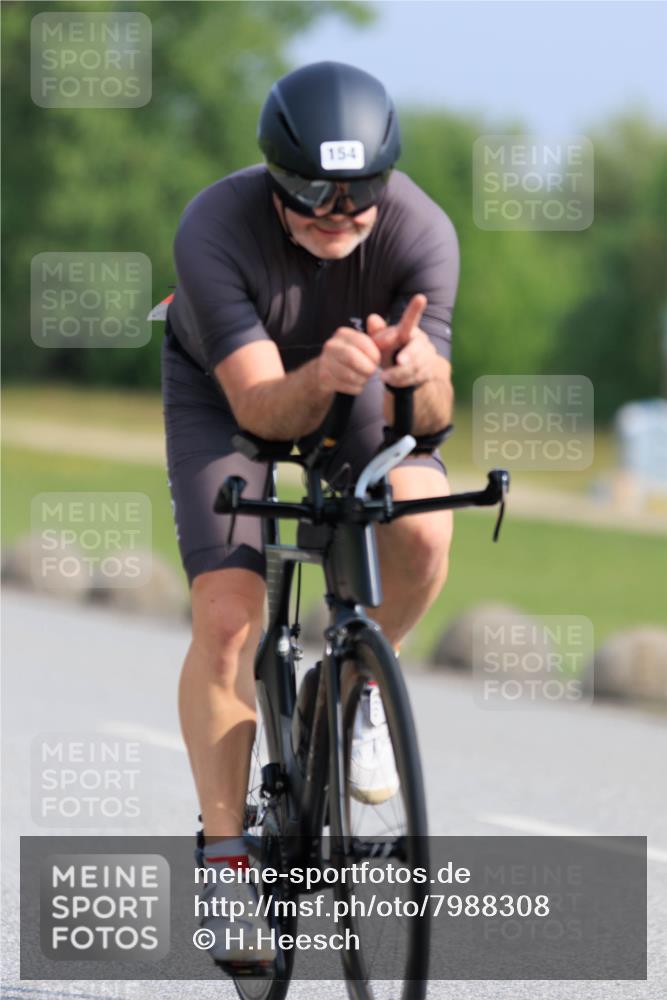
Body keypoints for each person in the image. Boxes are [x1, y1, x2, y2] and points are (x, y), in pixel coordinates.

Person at [161, 61, 458, 962]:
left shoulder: (422, 231)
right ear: (276, 181)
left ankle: (360, 683)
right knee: (226, 619)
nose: (336, 218)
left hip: (360, 385)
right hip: (231, 395)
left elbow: (437, 419)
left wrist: (420, 377)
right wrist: (320, 376)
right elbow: (257, 409)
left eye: (356, 201)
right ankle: (224, 860)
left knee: (423, 513)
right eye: (313, 200)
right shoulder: (215, 224)